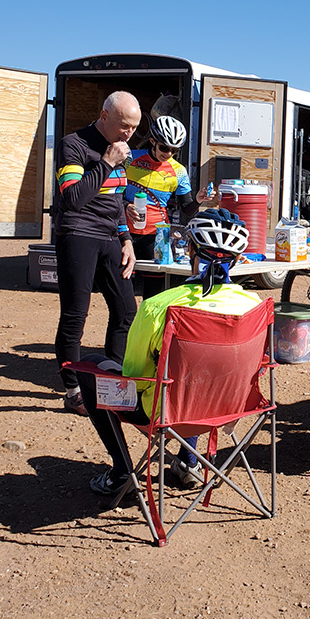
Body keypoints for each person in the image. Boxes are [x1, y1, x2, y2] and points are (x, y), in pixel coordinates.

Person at [76, 208, 264, 508]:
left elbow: (134, 375)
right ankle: (190, 462)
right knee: (199, 378)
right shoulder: (253, 306)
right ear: (239, 258)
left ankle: (123, 471)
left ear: (189, 248)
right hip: (231, 407)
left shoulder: (158, 306)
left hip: (164, 414)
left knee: (90, 369)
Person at [53, 91, 141, 416]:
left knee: (125, 310)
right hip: (78, 234)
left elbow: (116, 199)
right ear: (104, 116)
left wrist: (126, 238)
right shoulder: (74, 144)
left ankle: (113, 384)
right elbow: (73, 197)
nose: (128, 134)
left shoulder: (122, 151)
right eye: (123, 126)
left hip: (110, 238)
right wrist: (106, 162)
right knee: (76, 315)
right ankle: (73, 391)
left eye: (133, 128)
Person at [123, 114, 197, 296]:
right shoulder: (129, 158)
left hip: (156, 236)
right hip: (125, 232)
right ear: (152, 141)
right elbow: (112, 193)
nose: (168, 153)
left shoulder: (179, 171)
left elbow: (186, 208)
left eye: (174, 150)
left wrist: (199, 200)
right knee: (123, 291)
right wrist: (125, 204)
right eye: (164, 147)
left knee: (153, 295)